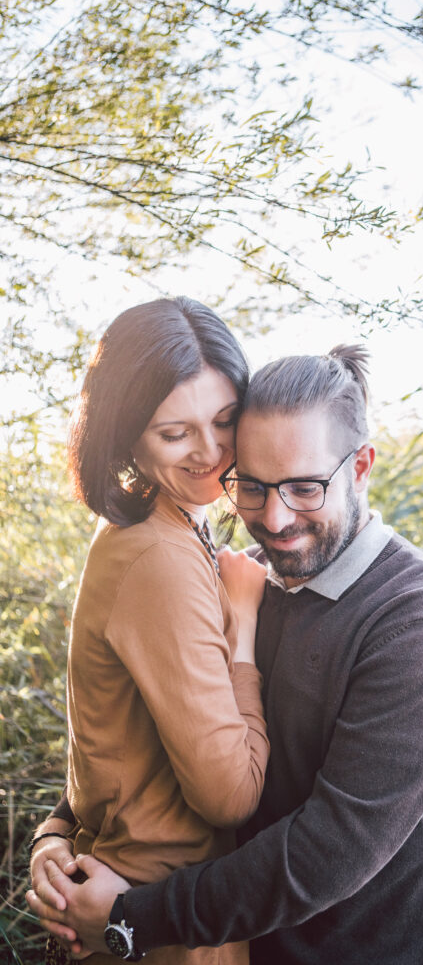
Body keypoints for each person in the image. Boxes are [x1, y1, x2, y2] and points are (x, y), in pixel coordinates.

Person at [29, 345, 423, 965]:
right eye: (251, 486)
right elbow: (145, 737)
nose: (274, 519)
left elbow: (329, 850)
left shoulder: (422, 622)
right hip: (247, 947)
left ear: (360, 467)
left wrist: (132, 919)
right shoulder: (239, 581)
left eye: (304, 487)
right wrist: (57, 831)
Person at [29, 297, 270, 965]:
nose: (211, 453)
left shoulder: (163, 526)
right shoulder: (157, 555)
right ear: (127, 434)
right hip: (153, 919)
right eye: (174, 433)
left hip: (147, 902)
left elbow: (113, 741)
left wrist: (54, 832)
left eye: (225, 420)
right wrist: (244, 626)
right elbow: (229, 794)